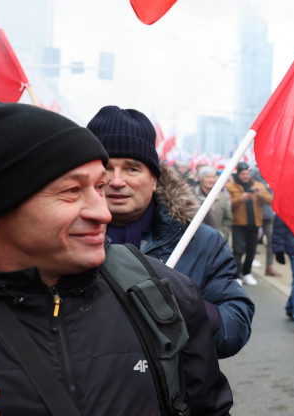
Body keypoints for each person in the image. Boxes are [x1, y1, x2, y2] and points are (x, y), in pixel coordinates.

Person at [0, 102, 239, 416]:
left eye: (99, 187)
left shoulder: (158, 291)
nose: (102, 211)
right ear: (0, 205)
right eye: (71, 192)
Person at [86, 105, 254, 358]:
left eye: (132, 168)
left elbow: (235, 328)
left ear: (154, 179)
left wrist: (181, 303)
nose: (117, 181)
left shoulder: (200, 242)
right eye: (106, 168)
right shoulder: (59, 240)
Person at [225, 162, 273, 285]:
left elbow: (270, 200)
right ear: (238, 174)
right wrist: (241, 199)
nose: (245, 176)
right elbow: (228, 204)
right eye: (243, 173)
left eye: (247, 173)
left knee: (251, 250)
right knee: (238, 250)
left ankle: (247, 273)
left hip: (255, 224)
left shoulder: (258, 185)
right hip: (238, 224)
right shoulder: (231, 186)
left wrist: (260, 194)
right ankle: (237, 275)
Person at [195, 165, 233, 243]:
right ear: (201, 178)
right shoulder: (193, 195)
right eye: (207, 177)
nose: (211, 180)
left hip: (218, 239)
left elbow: (228, 217)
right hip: (197, 239)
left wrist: (223, 233)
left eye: (213, 177)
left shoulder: (222, 196)